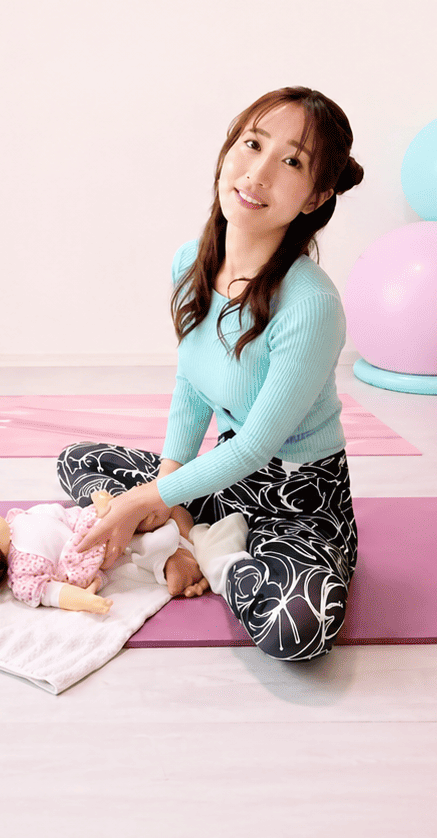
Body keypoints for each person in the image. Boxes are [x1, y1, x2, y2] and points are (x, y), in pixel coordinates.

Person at [57, 87, 365, 661]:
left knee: (298, 630)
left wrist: (140, 501)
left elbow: (254, 447)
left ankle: (218, 557)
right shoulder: (190, 262)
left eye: (290, 162)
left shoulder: (310, 305)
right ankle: (182, 541)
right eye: (252, 144)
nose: (257, 173)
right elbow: (192, 384)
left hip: (298, 499)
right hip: (220, 479)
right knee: (79, 461)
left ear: (316, 195)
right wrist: (170, 492)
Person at [0, 492, 208, 615]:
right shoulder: (22, 574)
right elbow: (50, 592)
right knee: (137, 554)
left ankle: (176, 534)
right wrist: (86, 601)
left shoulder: (18, 519)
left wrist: (99, 508)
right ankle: (172, 559)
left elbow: (62, 515)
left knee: (149, 512)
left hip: (91, 523)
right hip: (96, 554)